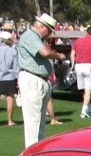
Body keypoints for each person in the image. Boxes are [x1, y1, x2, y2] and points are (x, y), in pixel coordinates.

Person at [17, 13, 65, 147]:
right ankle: (32, 154)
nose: (49, 35)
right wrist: (58, 55)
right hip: (32, 79)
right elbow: (44, 53)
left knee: (39, 121)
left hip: (39, 80)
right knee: (33, 122)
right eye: (49, 31)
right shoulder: (30, 35)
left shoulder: (36, 38)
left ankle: (38, 152)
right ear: (43, 27)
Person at [0, 31, 18, 126]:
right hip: (10, 77)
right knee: (10, 98)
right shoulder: (13, 51)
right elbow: (16, 66)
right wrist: (17, 78)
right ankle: (10, 120)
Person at [71, 26, 91, 119]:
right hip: (89, 66)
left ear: (86, 32)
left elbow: (72, 53)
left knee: (85, 89)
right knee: (88, 90)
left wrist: (73, 65)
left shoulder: (78, 41)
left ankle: (88, 109)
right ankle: (84, 111)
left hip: (78, 66)